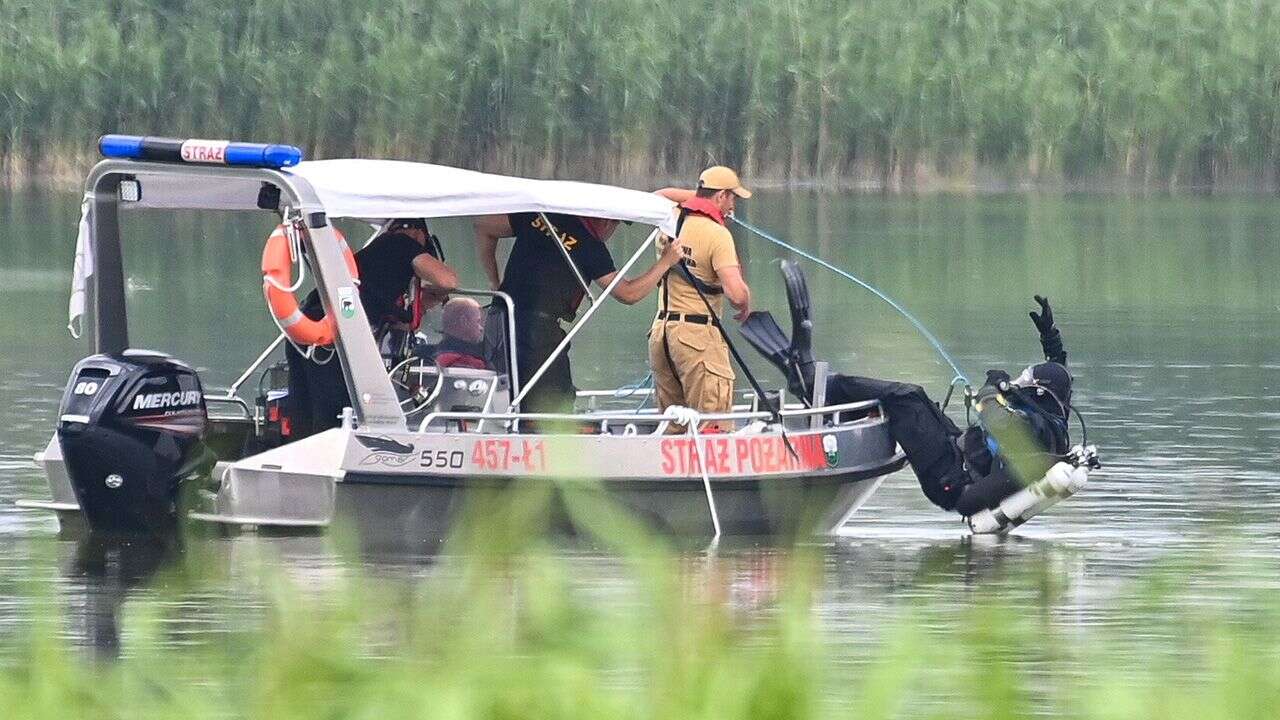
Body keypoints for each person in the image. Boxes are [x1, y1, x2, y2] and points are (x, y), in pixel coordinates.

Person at [740, 260, 1076, 517]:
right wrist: (1051, 335)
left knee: (904, 398)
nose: (1019, 382)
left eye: (1026, 378)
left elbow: (993, 415)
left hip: (952, 478)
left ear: (1040, 390)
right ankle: (834, 396)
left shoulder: (1029, 426)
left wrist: (993, 387)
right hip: (959, 458)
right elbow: (1059, 377)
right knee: (914, 397)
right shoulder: (1053, 421)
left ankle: (815, 385)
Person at [474, 212, 683, 415]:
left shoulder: (539, 216)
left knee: (508, 390)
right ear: (605, 221)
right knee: (554, 403)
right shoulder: (590, 246)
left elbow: (483, 226)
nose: (613, 230)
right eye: (616, 224)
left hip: (501, 318)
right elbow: (627, 293)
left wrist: (495, 282)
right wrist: (666, 262)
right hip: (537, 334)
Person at [286, 218, 458, 438]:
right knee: (334, 404)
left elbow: (379, 300)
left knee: (305, 403)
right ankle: (335, 458)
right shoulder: (403, 244)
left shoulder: (377, 255)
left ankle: (299, 454)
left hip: (307, 319)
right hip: (332, 328)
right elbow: (448, 281)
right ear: (416, 231)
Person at [647, 166, 754, 432]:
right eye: (732, 199)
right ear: (720, 196)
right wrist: (746, 298)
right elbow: (735, 295)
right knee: (711, 425)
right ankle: (711, 473)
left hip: (662, 336)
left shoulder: (671, 220)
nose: (733, 206)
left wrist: (698, 198)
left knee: (675, 425)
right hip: (697, 339)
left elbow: (658, 195)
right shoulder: (717, 235)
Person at [415, 297, 488, 369]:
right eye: (478, 322)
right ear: (464, 321)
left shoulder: (420, 357)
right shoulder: (478, 360)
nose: (481, 328)